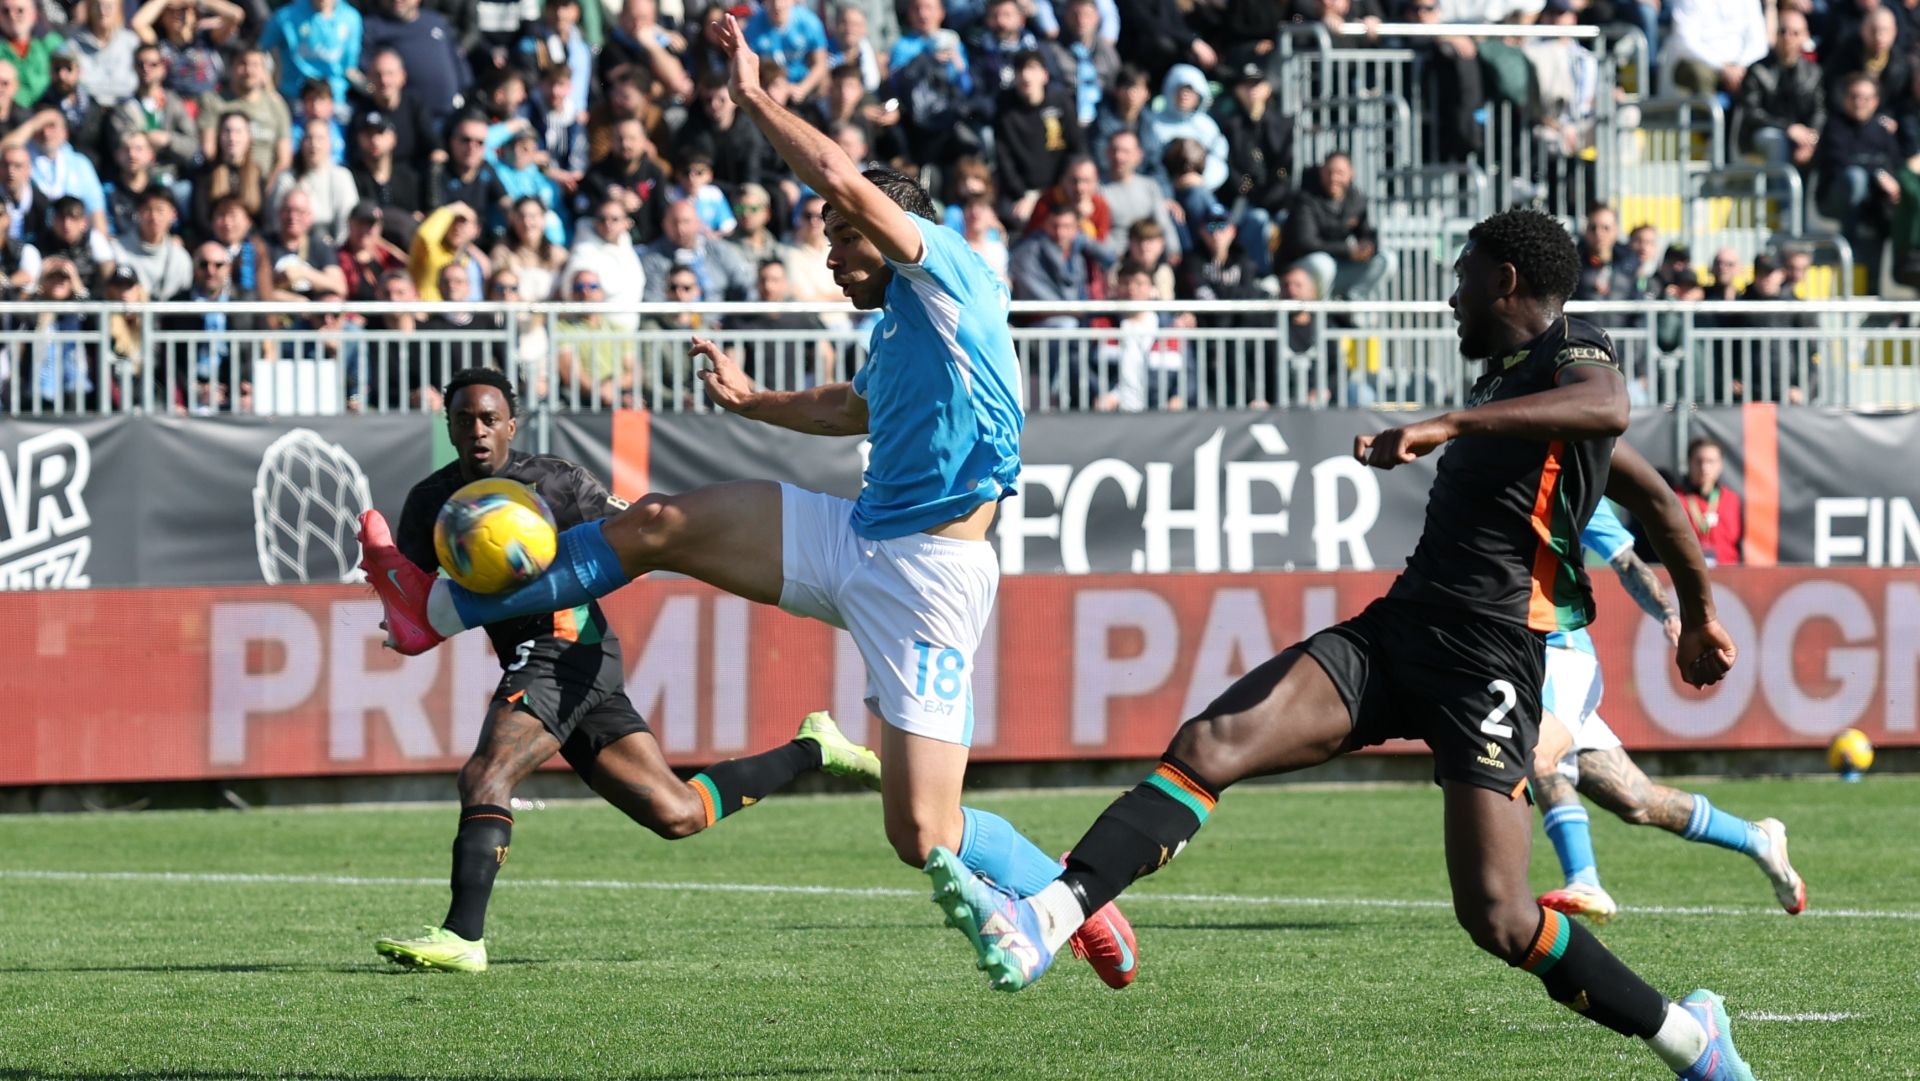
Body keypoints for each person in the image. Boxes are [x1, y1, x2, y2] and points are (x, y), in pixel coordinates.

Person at [358, 14, 1140, 993]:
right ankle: (429, 608)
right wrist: (749, 401)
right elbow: (852, 404)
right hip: (852, 539)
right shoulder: (901, 323)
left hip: (931, 582)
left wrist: (752, 92)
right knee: (657, 524)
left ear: (888, 231)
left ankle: (1079, 899)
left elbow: (848, 179)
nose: (831, 259)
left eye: (842, 240)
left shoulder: (946, 274)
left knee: (923, 834)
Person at [921, 207, 1762, 1081]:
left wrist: (1447, 427)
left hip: (1494, 660)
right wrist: (1696, 613)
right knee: (1212, 743)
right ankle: (1048, 918)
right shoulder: (1508, 383)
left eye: (1465, 273)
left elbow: (1612, 407)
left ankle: (1691, 1038)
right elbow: (1655, 498)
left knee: (1501, 917)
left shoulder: (1574, 354)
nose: (1450, 296)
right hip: (1401, 630)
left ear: (1508, 280)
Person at [371, 367, 881, 973]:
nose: (478, 431)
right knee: (678, 814)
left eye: (489, 419)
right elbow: (417, 594)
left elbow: (634, 529)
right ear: (449, 427)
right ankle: (814, 747)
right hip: (568, 664)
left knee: (486, 776)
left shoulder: (552, 481)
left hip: (564, 645)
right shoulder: (432, 503)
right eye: (464, 420)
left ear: (512, 424)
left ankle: (463, 937)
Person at [1531, 501, 1804, 927]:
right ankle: (1758, 839)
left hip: (1561, 653)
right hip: (1510, 659)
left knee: (1538, 752)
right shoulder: (1479, 480)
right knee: (1635, 800)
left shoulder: (1571, 483)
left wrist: (1670, 614)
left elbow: (1626, 561)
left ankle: (1585, 880)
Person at [1279, 151, 1395, 303]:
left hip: (1337, 267)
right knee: (1323, 264)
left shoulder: (1356, 199)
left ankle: (1350, 307)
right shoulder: (1305, 199)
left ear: (1351, 174)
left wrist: (1369, 246)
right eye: (1329, 172)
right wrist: (1348, 250)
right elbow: (1306, 243)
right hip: (1303, 266)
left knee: (1387, 260)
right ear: (1321, 172)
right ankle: (1321, 317)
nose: (1334, 178)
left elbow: (1366, 233)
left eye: (1340, 173)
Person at [1737, 10, 1823, 170]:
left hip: (1802, 135)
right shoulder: (1757, 70)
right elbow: (1752, 114)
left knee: (1828, 143)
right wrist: (1788, 128)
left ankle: (1811, 196)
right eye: (1782, 31)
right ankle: (1782, 195)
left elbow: (1819, 112)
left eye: (1795, 33)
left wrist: (1812, 137)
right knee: (1777, 141)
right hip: (1763, 133)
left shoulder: (1814, 73)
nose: (1787, 37)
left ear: (1805, 36)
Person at [258, 0, 361, 106]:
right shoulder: (286, 17)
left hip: (334, 99)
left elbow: (350, 68)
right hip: (294, 97)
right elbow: (260, 51)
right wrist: (269, 89)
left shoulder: (351, 18)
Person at [1674, 436, 1742, 565]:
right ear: (1689, 463)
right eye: (1699, 461)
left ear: (1720, 465)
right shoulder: (1675, 499)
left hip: (1728, 576)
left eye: (1711, 461)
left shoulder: (1733, 500)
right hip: (1690, 573)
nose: (1704, 468)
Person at [113, 186, 190, 298]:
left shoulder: (181, 258)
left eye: (160, 210)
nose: (153, 217)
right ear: (137, 212)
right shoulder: (117, 250)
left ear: (173, 214)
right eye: (147, 209)